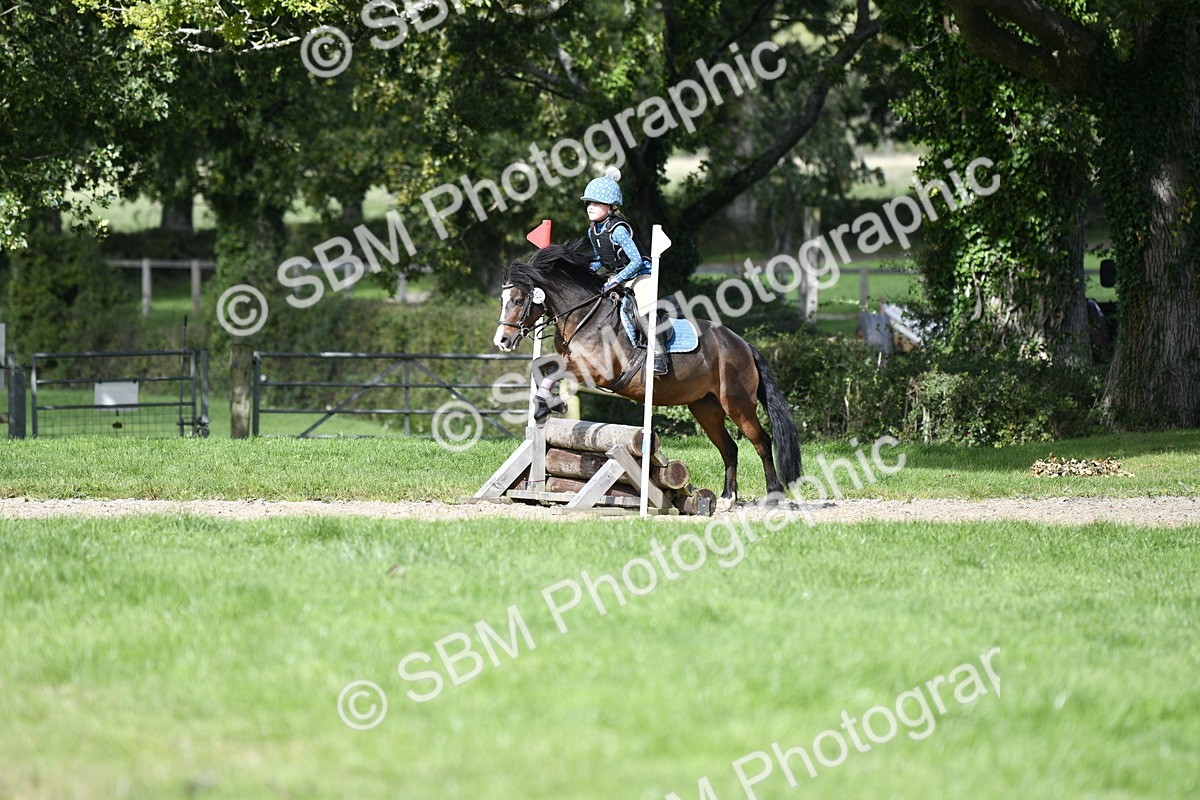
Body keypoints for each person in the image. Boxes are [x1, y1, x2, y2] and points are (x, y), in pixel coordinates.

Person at [581, 166, 671, 376]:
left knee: (642, 311)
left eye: (596, 203)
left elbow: (636, 260)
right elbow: (599, 258)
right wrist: (590, 271)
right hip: (617, 276)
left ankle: (659, 355)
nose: (590, 207)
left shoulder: (618, 229)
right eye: (589, 203)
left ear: (611, 206)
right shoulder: (593, 230)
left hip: (640, 274)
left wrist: (617, 279)